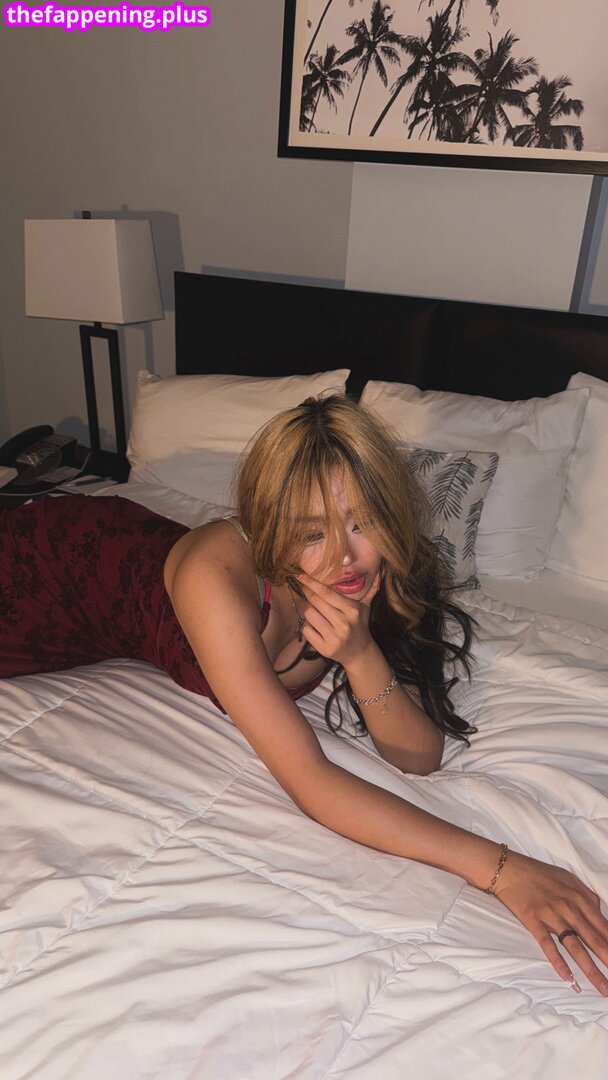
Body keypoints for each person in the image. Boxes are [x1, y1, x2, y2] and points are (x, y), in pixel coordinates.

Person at [1, 394, 607, 996]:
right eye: (312, 534)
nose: (345, 555)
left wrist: (362, 654)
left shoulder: (379, 574)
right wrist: (503, 870)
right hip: (37, 571)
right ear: (271, 528)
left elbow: (419, 758)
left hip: (87, 626)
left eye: (363, 521)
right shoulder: (216, 577)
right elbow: (310, 780)